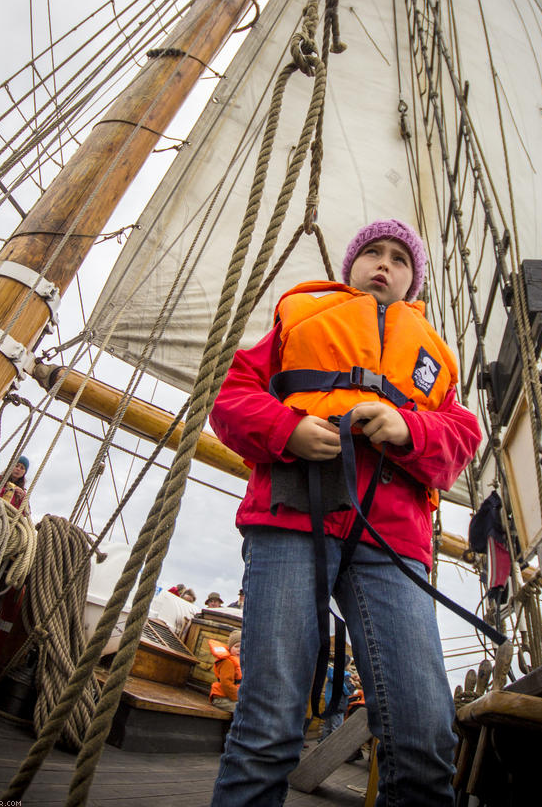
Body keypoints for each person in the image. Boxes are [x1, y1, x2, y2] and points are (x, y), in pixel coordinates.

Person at [208, 218, 482, 806]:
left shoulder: (437, 358)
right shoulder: (299, 319)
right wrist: (288, 429)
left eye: (400, 259)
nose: (385, 265)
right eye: (373, 253)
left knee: (425, 738)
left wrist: (409, 426)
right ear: (350, 265)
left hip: (392, 543)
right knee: (267, 728)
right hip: (292, 517)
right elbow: (231, 398)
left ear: (414, 280)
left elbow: (461, 437)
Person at [209, 629, 242, 715]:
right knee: (242, 711)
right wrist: (238, 697)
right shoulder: (228, 663)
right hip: (221, 698)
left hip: (231, 697)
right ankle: (233, 728)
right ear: (230, 648)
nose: (239, 649)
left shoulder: (242, 663)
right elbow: (226, 683)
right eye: (236, 646)